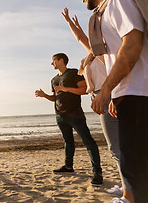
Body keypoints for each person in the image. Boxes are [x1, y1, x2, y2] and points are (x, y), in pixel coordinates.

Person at [78, 0, 148, 202]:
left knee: (134, 157)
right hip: (128, 93)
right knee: (131, 156)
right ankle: (130, 196)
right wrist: (116, 94)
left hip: (140, 91)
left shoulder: (118, 0)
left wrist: (106, 90)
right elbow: (113, 55)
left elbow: (132, 44)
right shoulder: (104, 12)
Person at [61, 8, 132, 198]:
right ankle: (127, 186)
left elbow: (83, 40)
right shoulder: (93, 55)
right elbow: (83, 39)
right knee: (120, 146)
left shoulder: (103, 55)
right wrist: (71, 24)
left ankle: (129, 192)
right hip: (104, 96)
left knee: (116, 147)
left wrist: (71, 25)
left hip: (108, 96)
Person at [35, 53, 103, 184]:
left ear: (61, 61)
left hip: (75, 113)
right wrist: (44, 95)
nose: (52, 63)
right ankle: (68, 166)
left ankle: (97, 172)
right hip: (60, 115)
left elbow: (84, 90)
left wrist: (65, 89)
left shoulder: (74, 73)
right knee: (68, 141)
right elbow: (55, 97)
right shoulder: (53, 79)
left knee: (88, 141)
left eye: (53, 61)